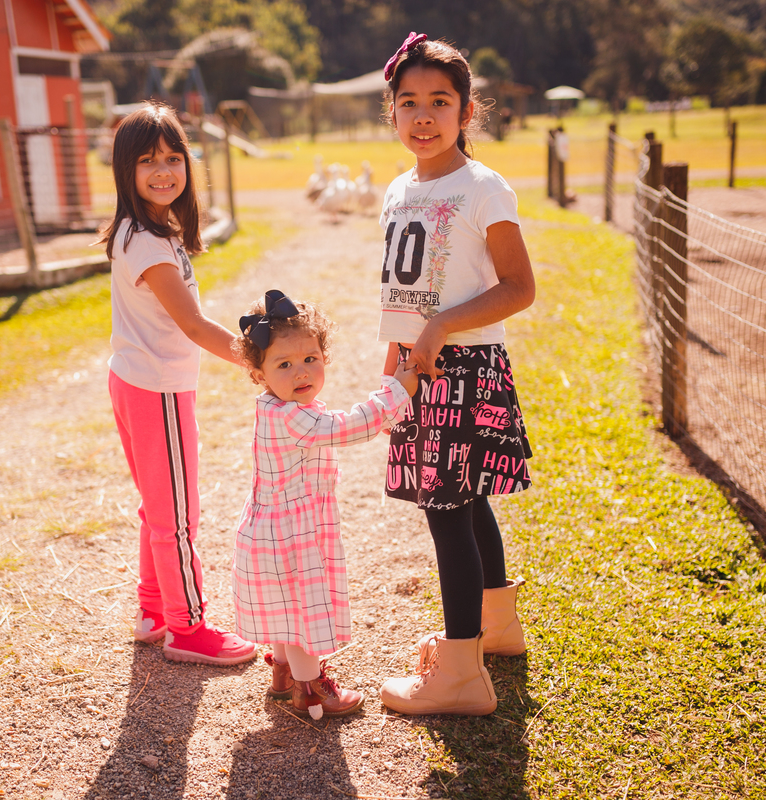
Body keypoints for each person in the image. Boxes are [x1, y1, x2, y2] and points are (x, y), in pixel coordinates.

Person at [375, 33, 537, 716]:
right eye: (408, 101)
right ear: (391, 112)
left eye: (440, 101)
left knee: (447, 516)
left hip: (464, 369)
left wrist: (441, 328)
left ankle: (462, 674)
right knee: (467, 504)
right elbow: (401, 287)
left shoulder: (482, 186)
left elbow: (519, 286)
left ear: (468, 110)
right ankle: (497, 627)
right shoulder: (396, 189)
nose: (423, 114)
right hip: (420, 370)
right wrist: (396, 355)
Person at [97, 101, 255, 666]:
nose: (164, 170)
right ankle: (187, 629)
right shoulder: (145, 241)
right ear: (125, 172)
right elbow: (192, 325)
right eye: (147, 161)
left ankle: (152, 610)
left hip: (139, 383)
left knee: (157, 509)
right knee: (178, 517)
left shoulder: (148, 231)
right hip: (155, 390)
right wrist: (258, 362)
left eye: (173, 157)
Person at [231, 289, 419, 719]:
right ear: (259, 373)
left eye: (310, 359)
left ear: (324, 357)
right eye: (283, 364)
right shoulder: (293, 416)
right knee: (299, 614)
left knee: (285, 606)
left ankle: (283, 672)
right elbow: (350, 426)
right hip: (288, 536)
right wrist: (397, 390)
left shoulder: (281, 407)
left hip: (276, 529)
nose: (301, 372)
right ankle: (310, 688)